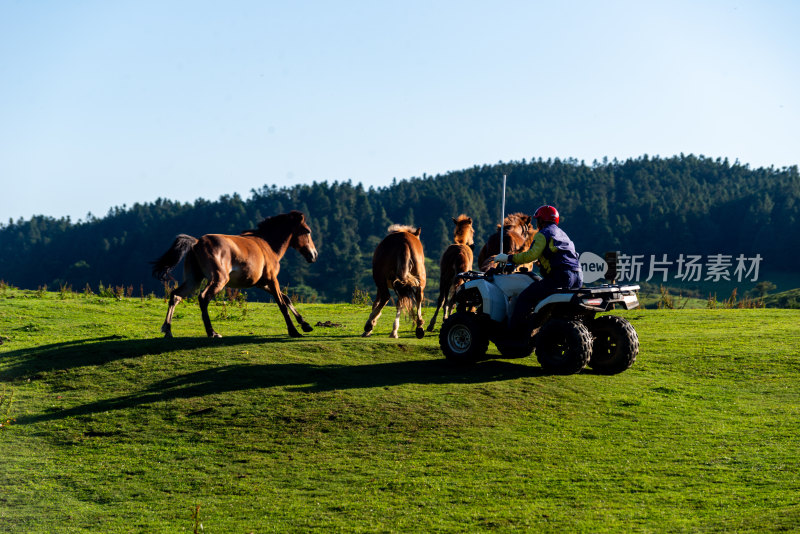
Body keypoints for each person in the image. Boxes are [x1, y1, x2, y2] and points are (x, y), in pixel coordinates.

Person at [492, 205, 582, 332]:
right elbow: (559, 254)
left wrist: (509, 258)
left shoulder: (543, 234)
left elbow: (531, 255)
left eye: (538, 219)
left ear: (542, 220)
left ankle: (515, 333)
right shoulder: (562, 233)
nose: (536, 222)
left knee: (525, 297)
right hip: (577, 277)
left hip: (561, 277)